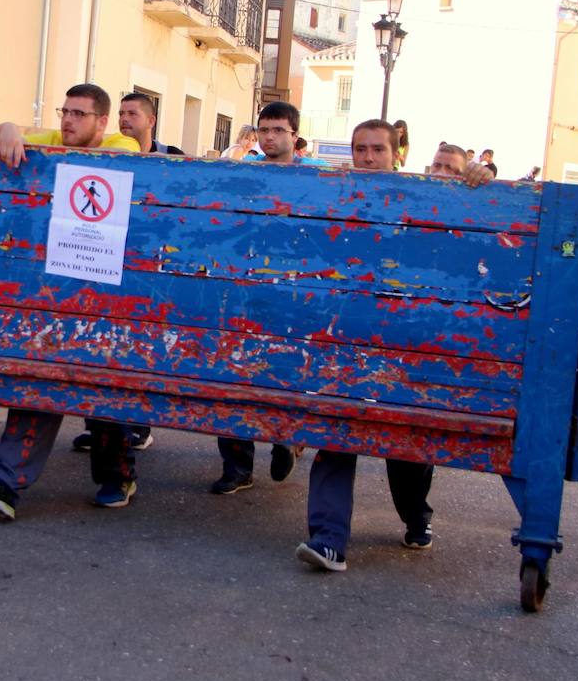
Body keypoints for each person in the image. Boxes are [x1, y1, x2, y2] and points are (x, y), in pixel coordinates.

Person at [295, 119, 492, 572]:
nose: (367, 158)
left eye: (377, 150)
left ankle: (416, 518)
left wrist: (481, 184)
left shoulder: (426, 197)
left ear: (396, 154)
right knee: (336, 438)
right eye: (360, 149)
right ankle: (328, 541)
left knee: (405, 451)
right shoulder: (336, 194)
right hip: (347, 342)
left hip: (407, 345)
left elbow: (475, 232)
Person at [0, 85, 142, 519]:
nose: (67, 122)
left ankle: (117, 474)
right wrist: (6, 128)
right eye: (65, 112)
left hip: (111, 295)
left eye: (80, 115)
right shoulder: (52, 142)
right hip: (57, 291)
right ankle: (4, 481)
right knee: (41, 379)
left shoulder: (124, 145)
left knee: (102, 387)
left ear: (102, 122)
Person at [209, 101, 320, 494]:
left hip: (296, 289)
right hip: (247, 286)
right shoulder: (246, 174)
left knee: (287, 371)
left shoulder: (317, 178)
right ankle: (237, 465)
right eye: (264, 130)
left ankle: (286, 438)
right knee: (235, 371)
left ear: (294, 134)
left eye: (278, 130)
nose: (270, 137)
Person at [70, 91, 178, 454]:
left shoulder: (174, 159)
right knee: (101, 348)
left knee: (139, 350)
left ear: (150, 121)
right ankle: (101, 427)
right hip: (109, 261)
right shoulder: (107, 151)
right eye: (120, 113)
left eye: (132, 113)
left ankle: (138, 426)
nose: (124, 119)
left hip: (152, 267)